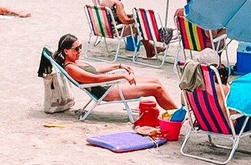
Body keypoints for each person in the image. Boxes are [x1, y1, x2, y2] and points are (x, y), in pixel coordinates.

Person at [39, 34, 178, 110]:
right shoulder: (71, 68)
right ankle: (176, 114)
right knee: (156, 88)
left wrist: (118, 65)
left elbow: (97, 70)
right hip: (108, 91)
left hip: (110, 85)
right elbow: (95, 79)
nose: (80, 51)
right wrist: (121, 75)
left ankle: (175, 112)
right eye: (77, 49)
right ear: (66, 51)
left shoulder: (75, 62)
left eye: (80, 47)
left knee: (154, 80)